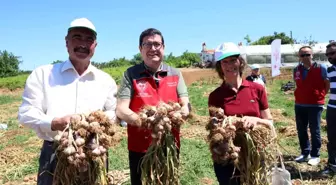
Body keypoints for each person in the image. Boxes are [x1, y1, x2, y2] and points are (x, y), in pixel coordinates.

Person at [17, 18, 118, 185]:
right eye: (77, 37)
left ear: (95, 46)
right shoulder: (43, 74)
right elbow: (26, 113)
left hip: (94, 151)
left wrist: (98, 121)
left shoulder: (105, 80)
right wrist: (54, 122)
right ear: (66, 42)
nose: (83, 44)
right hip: (55, 153)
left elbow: (113, 112)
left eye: (89, 39)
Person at [116, 28, 190, 185]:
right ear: (140, 49)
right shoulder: (130, 74)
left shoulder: (175, 73)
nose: (153, 49)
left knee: (168, 180)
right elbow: (121, 109)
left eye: (157, 44)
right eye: (147, 44)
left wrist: (183, 113)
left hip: (169, 144)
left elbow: (185, 103)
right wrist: (143, 121)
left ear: (163, 47)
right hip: (140, 147)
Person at [208, 42, 273, 185]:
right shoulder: (215, 96)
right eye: (225, 62)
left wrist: (256, 120)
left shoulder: (257, 89)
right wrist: (226, 128)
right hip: (229, 156)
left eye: (233, 60)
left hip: (255, 155)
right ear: (220, 67)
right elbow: (214, 130)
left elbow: (270, 123)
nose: (230, 65)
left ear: (240, 62)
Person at [293, 46, 329, 166]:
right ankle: (305, 152)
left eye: (307, 54)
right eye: (302, 55)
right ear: (299, 57)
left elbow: (326, 84)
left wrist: (320, 95)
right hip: (300, 104)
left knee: (315, 130)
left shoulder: (321, 68)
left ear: (312, 55)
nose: (305, 57)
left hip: (315, 104)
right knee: (301, 129)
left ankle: (315, 155)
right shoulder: (296, 69)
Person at [322, 42, 336, 175]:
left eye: (332, 53)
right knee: (332, 138)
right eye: (327, 54)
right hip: (332, 108)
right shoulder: (330, 70)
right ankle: (333, 165)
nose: (329, 56)